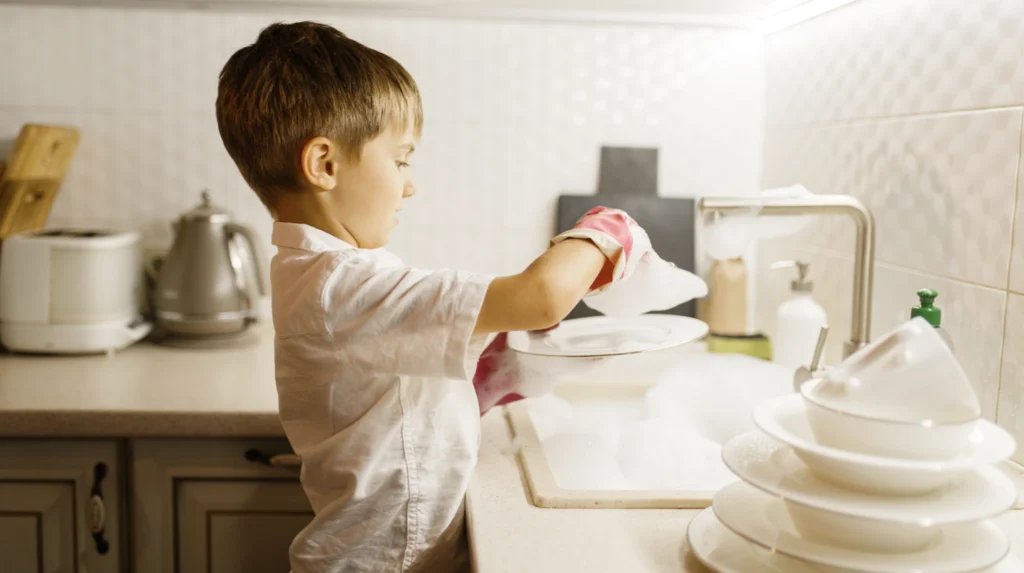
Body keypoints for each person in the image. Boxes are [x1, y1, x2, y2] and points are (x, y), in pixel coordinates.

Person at [215, 21, 652, 573]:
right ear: (324, 165)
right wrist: (605, 231)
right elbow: (540, 296)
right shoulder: (340, 284)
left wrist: (478, 374)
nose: (410, 183)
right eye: (401, 159)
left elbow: (388, 380)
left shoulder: (325, 274)